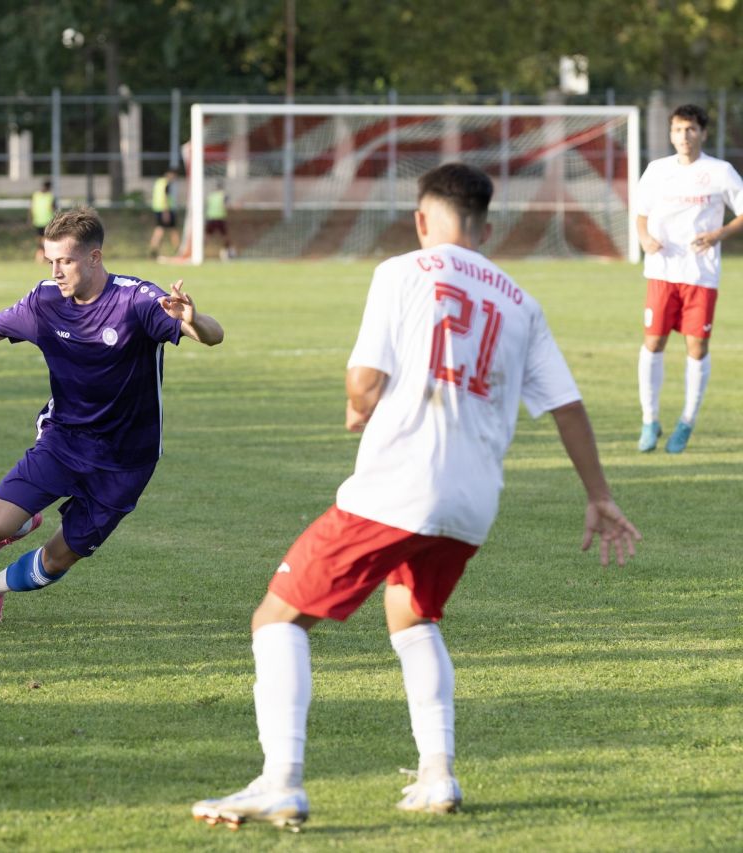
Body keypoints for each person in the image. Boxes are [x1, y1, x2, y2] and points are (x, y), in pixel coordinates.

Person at [191, 164, 640, 831]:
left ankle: (280, 781)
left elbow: (364, 376)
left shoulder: (403, 271)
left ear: (423, 219)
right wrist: (599, 494)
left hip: (399, 485)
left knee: (276, 618)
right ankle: (437, 775)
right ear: (485, 227)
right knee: (412, 616)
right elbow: (567, 406)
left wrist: (357, 405)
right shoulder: (520, 300)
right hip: (471, 503)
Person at [0, 207, 223, 625]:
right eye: (50, 260)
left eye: (66, 261)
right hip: (64, 439)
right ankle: (24, 520)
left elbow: (213, 336)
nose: (56, 271)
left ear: (95, 257)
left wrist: (193, 319)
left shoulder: (136, 301)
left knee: (58, 560)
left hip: (127, 459)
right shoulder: (44, 302)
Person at [634, 103, 743, 453]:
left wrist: (717, 235)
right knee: (654, 342)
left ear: (703, 133)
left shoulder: (720, 171)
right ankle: (650, 421)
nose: (684, 136)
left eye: (691, 129)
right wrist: (644, 239)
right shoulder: (656, 170)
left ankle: (686, 422)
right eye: (679, 129)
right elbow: (641, 214)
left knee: (696, 347)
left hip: (700, 274)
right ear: (671, 134)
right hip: (662, 271)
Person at [148, 169, 180, 258]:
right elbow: (165, 197)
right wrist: (166, 212)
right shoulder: (167, 183)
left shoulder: (159, 182)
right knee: (173, 230)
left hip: (158, 209)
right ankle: (178, 250)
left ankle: (153, 250)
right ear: (170, 174)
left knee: (159, 230)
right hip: (165, 210)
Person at [206, 180, 235, 260]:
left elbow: (208, 205)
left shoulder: (211, 195)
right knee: (225, 237)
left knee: (207, 237)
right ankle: (227, 252)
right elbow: (226, 206)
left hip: (210, 218)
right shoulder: (224, 195)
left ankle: (198, 252)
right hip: (219, 218)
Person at [30, 180, 57, 263]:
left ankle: (40, 258)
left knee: (40, 240)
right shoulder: (50, 196)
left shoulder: (36, 195)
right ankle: (45, 257)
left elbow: (31, 208)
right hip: (47, 222)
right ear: (49, 187)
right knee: (46, 241)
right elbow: (54, 209)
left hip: (37, 221)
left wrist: (30, 219)